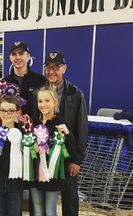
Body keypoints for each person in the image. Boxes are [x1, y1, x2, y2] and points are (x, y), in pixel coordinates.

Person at [44, 50, 88, 216]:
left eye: (56, 67)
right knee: (44, 201)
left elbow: (82, 128)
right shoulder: (39, 94)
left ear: (64, 68)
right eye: (48, 67)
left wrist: (77, 159)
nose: (51, 71)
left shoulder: (75, 94)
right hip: (45, 157)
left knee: (70, 199)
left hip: (68, 157)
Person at [30, 86, 77, 216]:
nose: (43, 104)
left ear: (55, 102)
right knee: (38, 210)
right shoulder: (33, 122)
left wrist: (68, 134)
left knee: (50, 211)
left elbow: (72, 151)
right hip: (35, 172)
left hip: (53, 174)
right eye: (40, 101)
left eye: (47, 101)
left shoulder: (60, 123)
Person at [0, 95, 24, 216]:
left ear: (17, 112)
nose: (7, 113)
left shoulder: (22, 133)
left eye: (11, 111)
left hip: (16, 182)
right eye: (3, 110)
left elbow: (31, 154)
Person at [3, 41, 47, 116]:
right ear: (10, 57)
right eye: (14, 54)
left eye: (21, 53)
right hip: (12, 126)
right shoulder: (4, 83)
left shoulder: (41, 80)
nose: (18, 57)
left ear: (28, 56)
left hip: (36, 126)